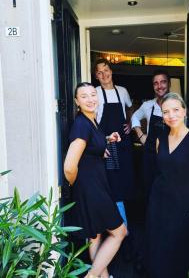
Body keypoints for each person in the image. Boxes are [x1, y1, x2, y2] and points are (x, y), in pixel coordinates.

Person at [64, 82, 127, 278]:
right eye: (84, 96)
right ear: (77, 101)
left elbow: (90, 148)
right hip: (91, 188)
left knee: (95, 235)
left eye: (93, 94)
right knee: (120, 232)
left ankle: (103, 276)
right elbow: (69, 166)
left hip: (94, 186)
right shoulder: (82, 124)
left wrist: (106, 141)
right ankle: (92, 276)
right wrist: (77, 185)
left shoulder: (91, 121)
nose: (90, 99)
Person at [145, 92, 189, 278]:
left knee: (177, 250)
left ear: (185, 111)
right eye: (166, 112)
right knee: (157, 248)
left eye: (175, 110)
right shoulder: (160, 140)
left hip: (182, 204)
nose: (171, 115)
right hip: (158, 202)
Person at [94, 58, 135, 224]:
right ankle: (117, 224)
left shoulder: (122, 91)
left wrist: (130, 122)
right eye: (100, 72)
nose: (104, 75)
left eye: (106, 70)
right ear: (96, 76)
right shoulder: (95, 92)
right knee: (111, 183)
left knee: (125, 180)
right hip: (107, 144)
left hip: (123, 143)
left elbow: (130, 107)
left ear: (111, 71)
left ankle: (122, 221)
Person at [131, 69, 170, 194]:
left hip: (169, 156)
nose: (160, 86)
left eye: (163, 82)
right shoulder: (148, 105)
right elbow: (134, 117)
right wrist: (141, 135)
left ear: (168, 84)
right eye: (156, 83)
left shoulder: (176, 105)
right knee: (149, 190)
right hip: (150, 156)